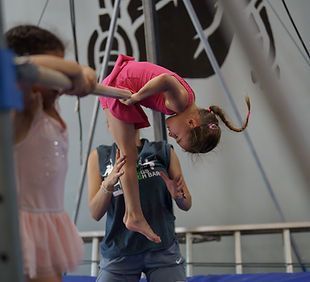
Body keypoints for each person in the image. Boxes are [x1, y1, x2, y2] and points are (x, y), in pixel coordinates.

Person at [99, 54, 250, 242]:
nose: (171, 136)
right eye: (178, 137)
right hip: (120, 84)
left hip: (122, 80)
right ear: (192, 122)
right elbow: (165, 79)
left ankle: (133, 214)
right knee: (128, 157)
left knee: (127, 155)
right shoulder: (181, 102)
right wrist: (138, 96)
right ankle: (133, 215)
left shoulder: (187, 100)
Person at [6, 24, 97, 282]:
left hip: (49, 221)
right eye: (52, 68)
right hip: (24, 225)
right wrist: (78, 72)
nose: (62, 77)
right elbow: (18, 68)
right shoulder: (24, 106)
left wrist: (84, 73)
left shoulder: (49, 106)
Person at [87, 127, 191, 282]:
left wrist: (178, 195)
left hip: (161, 247)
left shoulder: (162, 151)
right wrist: (107, 185)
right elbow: (95, 213)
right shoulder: (100, 156)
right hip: (120, 249)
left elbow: (186, 203)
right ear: (109, 124)